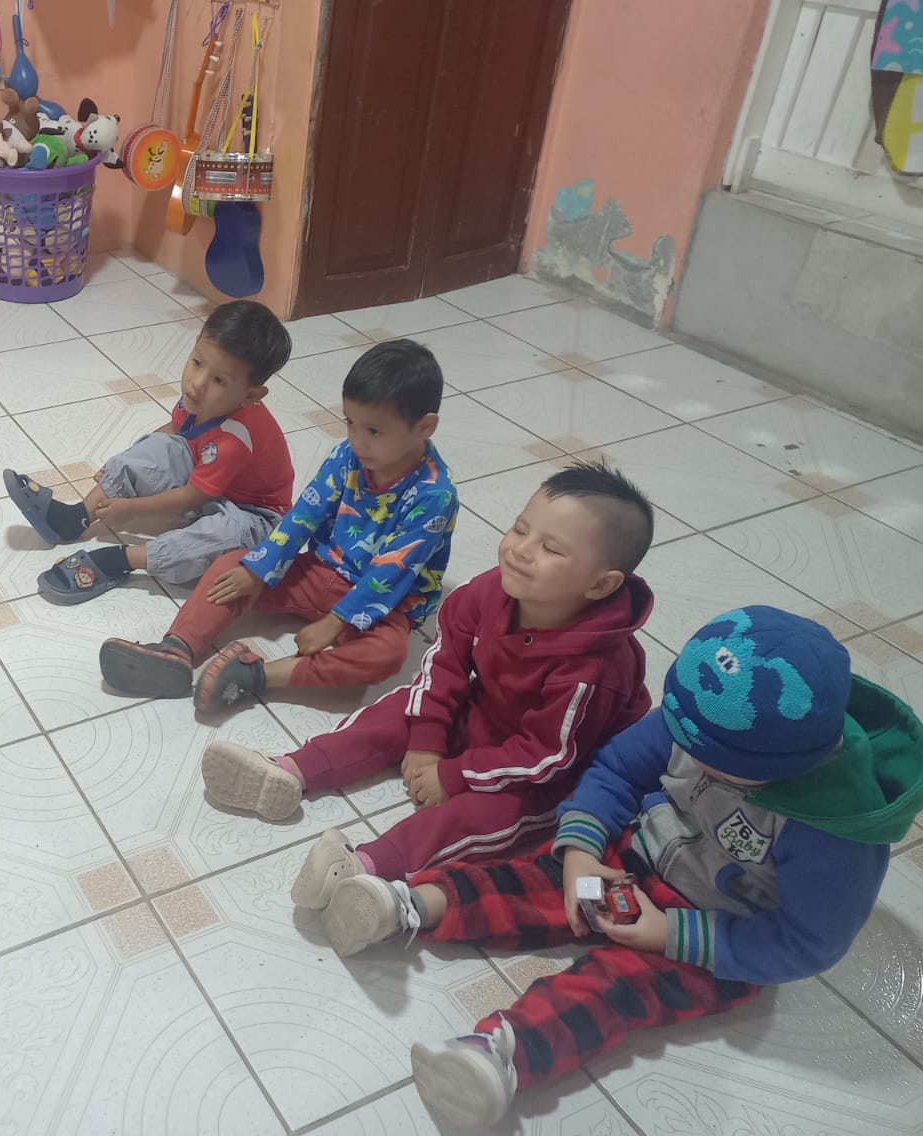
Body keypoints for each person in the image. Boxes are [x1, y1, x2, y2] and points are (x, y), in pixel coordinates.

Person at [325, 608, 923, 1132]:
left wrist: (672, 934)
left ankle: (498, 1054)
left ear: (780, 767)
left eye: (709, 758)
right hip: (626, 866)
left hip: (715, 935)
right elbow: (616, 771)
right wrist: (582, 850)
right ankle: (409, 904)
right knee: (535, 882)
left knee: (619, 987)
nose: (684, 751)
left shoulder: (837, 836)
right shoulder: (698, 717)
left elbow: (806, 944)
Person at [203, 461, 657, 897]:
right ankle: (292, 771)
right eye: (520, 529)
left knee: (483, 814)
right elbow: (444, 664)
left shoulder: (595, 671)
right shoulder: (488, 590)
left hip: (546, 775)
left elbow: (546, 757)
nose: (520, 549)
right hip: (487, 713)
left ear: (600, 585)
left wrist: (453, 774)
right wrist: (427, 740)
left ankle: (368, 867)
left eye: (550, 549)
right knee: (401, 707)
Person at [98, 340, 457, 713]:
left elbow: (391, 571)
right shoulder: (348, 455)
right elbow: (304, 514)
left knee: (387, 653)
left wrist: (336, 622)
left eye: (374, 431)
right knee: (232, 565)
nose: (357, 440)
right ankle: (175, 650)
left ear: (424, 427)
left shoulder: (435, 495)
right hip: (319, 570)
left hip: (383, 603)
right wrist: (259, 569)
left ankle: (255, 677)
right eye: (350, 423)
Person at [1, 299, 294, 604]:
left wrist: (132, 508)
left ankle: (121, 559)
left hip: (252, 515)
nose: (197, 383)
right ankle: (76, 518)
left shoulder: (234, 439)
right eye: (197, 362)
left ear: (250, 395)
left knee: (218, 536)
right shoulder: (200, 400)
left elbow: (192, 496)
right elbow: (174, 431)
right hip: (209, 482)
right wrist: (126, 463)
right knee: (159, 445)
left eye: (219, 380)